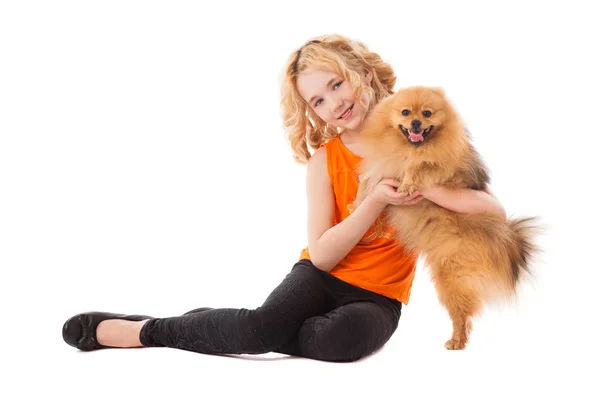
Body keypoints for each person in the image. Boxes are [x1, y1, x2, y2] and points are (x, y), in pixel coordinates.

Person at [62, 34, 506, 362]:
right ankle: (149, 331)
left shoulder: (420, 133)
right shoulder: (324, 162)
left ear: (364, 75)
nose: (333, 103)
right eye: (317, 100)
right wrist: (373, 201)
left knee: (342, 343)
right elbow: (323, 256)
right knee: (258, 332)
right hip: (318, 277)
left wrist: (426, 189)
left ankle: (221, 326)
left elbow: (494, 210)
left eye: (336, 85)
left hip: (380, 297)